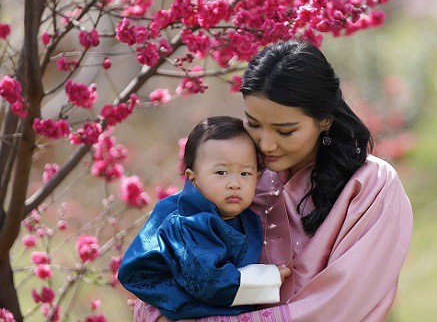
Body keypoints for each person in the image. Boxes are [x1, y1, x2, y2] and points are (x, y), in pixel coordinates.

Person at [132, 40, 413, 322]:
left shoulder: (370, 186)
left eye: (285, 131)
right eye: (253, 124)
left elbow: (338, 306)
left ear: (325, 120)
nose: (266, 144)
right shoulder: (238, 178)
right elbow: (158, 273)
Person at [119, 116, 291, 321]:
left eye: (245, 173)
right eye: (221, 172)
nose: (234, 183)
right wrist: (266, 279)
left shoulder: (242, 215)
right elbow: (208, 280)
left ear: (258, 176)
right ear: (193, 178)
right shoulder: (188, 221)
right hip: (176, 299)